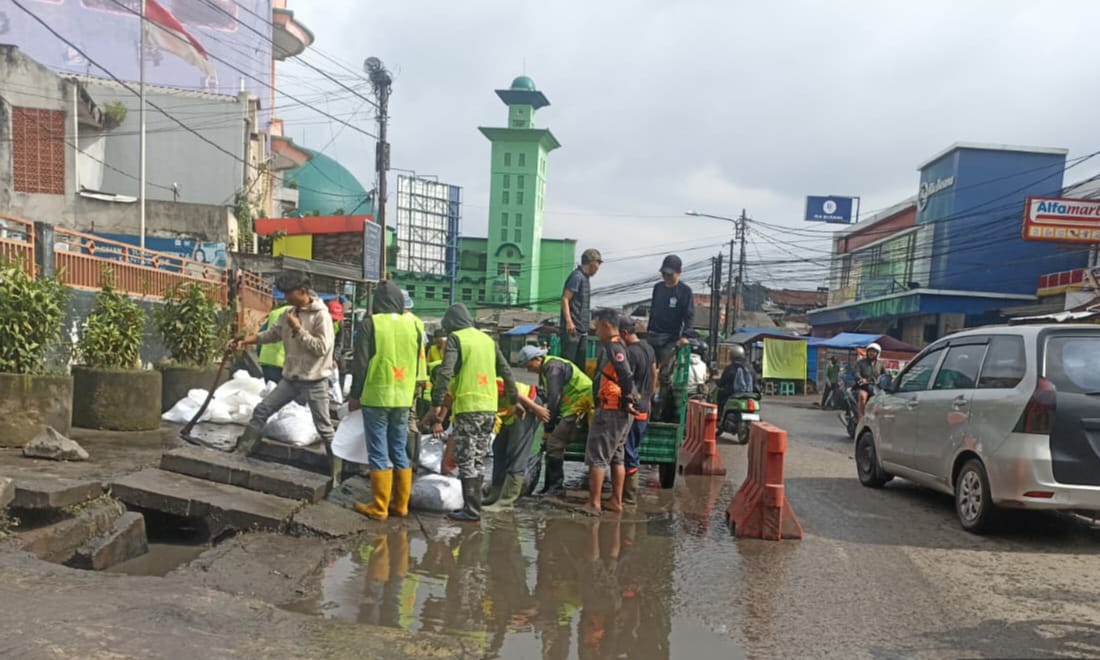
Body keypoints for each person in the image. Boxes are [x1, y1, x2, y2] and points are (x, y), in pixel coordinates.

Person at [232, 273, 336, 463]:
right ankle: (242, 452)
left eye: (289, 293)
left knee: (324, 428)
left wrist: (298, 329)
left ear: (303, 292)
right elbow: (273, 334)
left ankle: (337, 471)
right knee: (262, 410)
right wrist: (247, 340)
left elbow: (321, 348)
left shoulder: (321, 316)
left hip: (315, 381)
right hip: (290, 379)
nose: (286, 298)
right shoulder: (288, 313)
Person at [429, 303, 519, 522]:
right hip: (489, 407)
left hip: (469, 408)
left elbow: (446, 372)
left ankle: (471, 510)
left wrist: (436, 402)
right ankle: (474, 505)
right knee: (478, 457)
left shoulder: (456, 338)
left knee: (465, 458)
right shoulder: (487, 340)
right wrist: (513, 396)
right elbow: (505, 369)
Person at [347, 281, 426, 521]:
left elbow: (360, 363)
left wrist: (355, 395)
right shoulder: (414, 326)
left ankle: (379, 507)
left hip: (376, 396)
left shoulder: (371, 324)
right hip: (403, 397)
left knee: (378, 450)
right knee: (399, 448)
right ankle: (400, 505)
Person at [518, 344, 594, 497]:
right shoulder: (546, 368)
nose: (528, 369)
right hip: (570, 405)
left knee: (553, 444)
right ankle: (549, 487)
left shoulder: (553, 369)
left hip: (580, 405)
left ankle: (556, 487)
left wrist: (548, 428)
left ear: (537, 359)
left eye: (528, 365)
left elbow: (554, 399)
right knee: (551, 446)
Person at [583, 308, 637, 515]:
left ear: (606, 325)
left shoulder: (614, 347)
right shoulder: (621, 345)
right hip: (619, 410)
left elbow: (625, 374)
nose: (595, 332)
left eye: (597, 328)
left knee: (597, 457)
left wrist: (625, 399)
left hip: (611, 409)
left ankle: (594, 503)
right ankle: (616, 501)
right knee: (617, 457)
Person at [646, 255, 695, 421]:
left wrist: (685, 336)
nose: (666, 277)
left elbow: (689, 316)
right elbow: (653, 311)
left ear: (678, 273)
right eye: (664, 273)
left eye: (670, 274)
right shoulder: (658, 288)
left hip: (670, 339)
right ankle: (646, 405)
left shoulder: (685, 291)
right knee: (647, 371)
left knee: (665, 375)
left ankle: (662, 411)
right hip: (653, 335)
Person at [483, 377, 542, 511]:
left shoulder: (487, 382)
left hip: (528, 404)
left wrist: (536, 408)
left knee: (517, 450)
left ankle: (506, 502)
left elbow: (514, 391)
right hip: (511, 410)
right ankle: (495, 493)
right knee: (498, 447)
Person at [620, 316, 656, 506]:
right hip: (645, 407)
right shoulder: (648, 348)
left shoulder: (630, 353)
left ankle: (629, 497)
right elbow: (654, 373)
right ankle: (628, 494)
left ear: (624, 333)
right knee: (632, 449)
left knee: (629, 450)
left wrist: (629, 403)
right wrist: (649, 397)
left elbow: (628, 382)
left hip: (634, 409)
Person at [560, 248, 603, 370]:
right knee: (569, 365)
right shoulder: (577, 277)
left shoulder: (585, 279)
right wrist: (569, 322)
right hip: (572, 330)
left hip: (582, 329)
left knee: (580, 367)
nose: (598, 268)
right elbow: (565, 299)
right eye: (598, 264)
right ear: (592, 263)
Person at [258, 300, 291, 384]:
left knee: (271, 392)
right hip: (284, 362)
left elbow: (262, 332)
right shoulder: (297, 313)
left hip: (267, 359)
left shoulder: (274, 313)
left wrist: (259, 353)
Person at [717, 344, 754, 412]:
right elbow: (755, 381)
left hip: (732, 394)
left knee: (719, 396)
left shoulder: (730, 368)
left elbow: (722, 382)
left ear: (732, 356)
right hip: (749, 395)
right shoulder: (750, 368)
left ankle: (720, 415)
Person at [855, 342, 884, 419]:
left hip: (875, 387)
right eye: (870, 351)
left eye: (874, 352)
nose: (871, 353)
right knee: (862, 396)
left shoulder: (880, 365)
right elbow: (856, 372)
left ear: (877, 353)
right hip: (862, 386)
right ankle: (861, 418)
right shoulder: (861, 363)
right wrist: (861, 378)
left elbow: (886, 375)